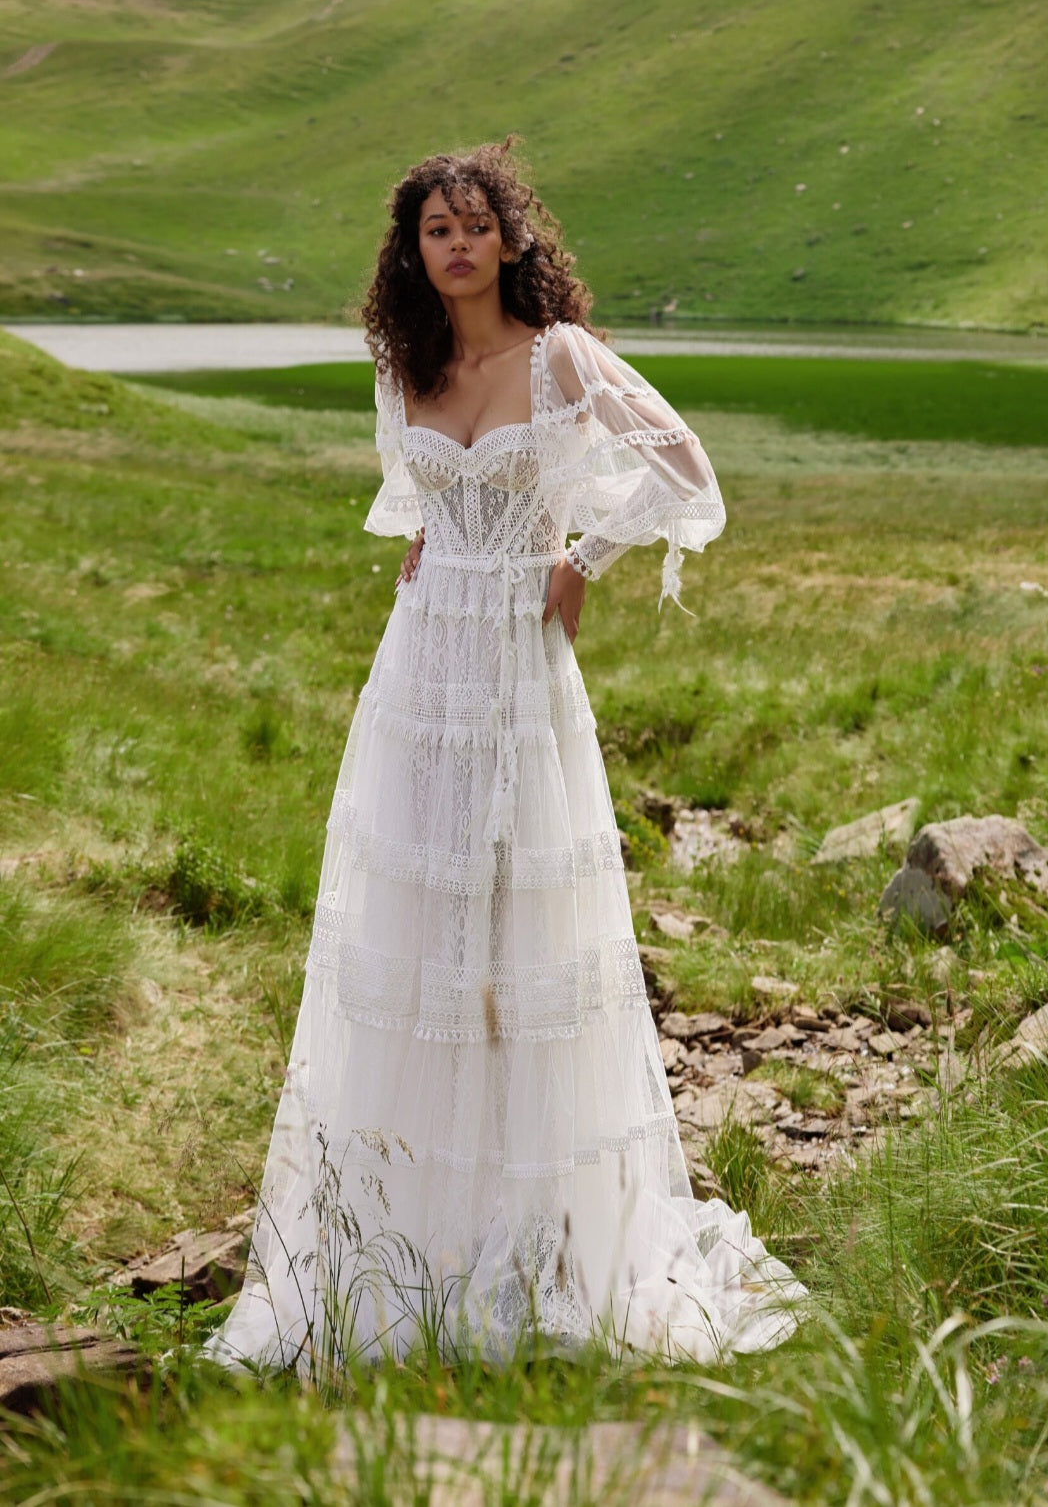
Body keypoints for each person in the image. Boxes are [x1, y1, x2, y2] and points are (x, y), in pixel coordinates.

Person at [202, 140, 806, 1378]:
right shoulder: (402, 364)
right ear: (411, 253)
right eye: (436, 230)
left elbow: (688, 472)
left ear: (513, 241)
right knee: (417, 936)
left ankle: (544, 1237)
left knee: (524, 939)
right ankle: (410, 1230)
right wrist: (437, 543)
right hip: (421, 670)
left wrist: (579, 556)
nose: (458, 245)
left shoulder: (560, 357)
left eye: (477, 225)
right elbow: (417, 503)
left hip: (521, 674)